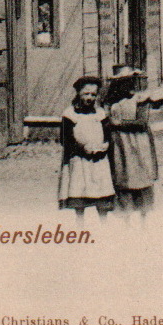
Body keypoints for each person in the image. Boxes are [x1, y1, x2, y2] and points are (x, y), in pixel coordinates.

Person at [104, 65, 158, 225]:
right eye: (121, 82)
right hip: (118, 145)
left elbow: (141, 123)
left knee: (139, 177)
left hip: (137, 144)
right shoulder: (111, 100)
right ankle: (125, 219)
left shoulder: (139, 100)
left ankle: (143, 220)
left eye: (128, 81)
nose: (126, 85)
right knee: (122, 178)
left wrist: (118, 124)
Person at [58, 75, 115, 222]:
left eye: (93, 95)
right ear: (78, 93)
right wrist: (82, 148)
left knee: (101, 192)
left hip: (99, 160)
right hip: (79, 160)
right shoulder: (70, 114)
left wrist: (106, 144)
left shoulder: (100, 113)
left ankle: (104, 225)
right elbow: (65, 139)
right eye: (86, 94)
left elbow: (108, 134)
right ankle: (80, 226)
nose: (89, 98)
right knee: (80, 192)